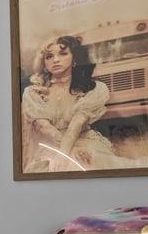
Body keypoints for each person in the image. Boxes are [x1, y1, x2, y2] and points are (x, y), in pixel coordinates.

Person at [20, 35, 120, 173]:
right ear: (44, 63)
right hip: (51, 145)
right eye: (49, 56)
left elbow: (75, 127)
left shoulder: (93, 88)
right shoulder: (33, 92)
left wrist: (67, 153)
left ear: (74, 58)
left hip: (84, 140)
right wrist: (68, 152)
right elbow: (44, 127)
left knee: (86, 163)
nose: (55, 60)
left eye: (63, 54)